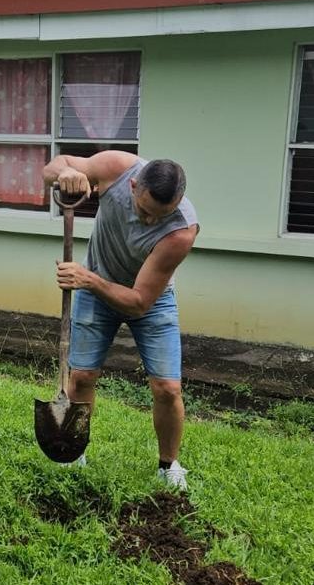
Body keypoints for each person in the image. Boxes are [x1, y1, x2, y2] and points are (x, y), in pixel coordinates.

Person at [43, 152, 199, 489]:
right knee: (82, 376)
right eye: (144, 211)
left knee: (168, 388)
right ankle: (75, 450)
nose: (149, 222)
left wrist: (89, 280)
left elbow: (139, 302)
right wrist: (68, 172)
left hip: (148, 299)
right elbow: (50, 168)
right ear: (132, 186)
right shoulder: (116, 167)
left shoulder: (182, 232)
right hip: (95, 286)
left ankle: (168, 465)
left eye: (161, 217)